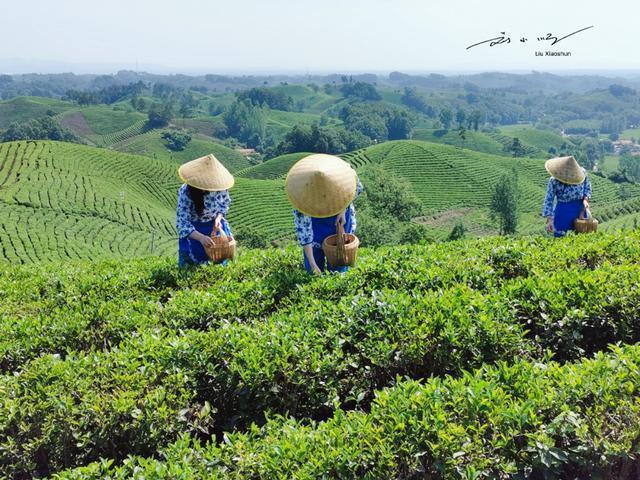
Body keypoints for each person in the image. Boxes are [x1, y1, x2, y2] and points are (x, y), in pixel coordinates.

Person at [285, 154, 363, 274]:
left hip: (340, 224)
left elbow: (356, 189)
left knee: (340, 264)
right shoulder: (303, 203)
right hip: (316, 231)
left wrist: (342, 208)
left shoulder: (346, 174)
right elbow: (305, 235)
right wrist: (312, 264)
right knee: (313, 272)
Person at [176, 153, 234, 266]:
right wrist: (201, 238)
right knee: (191, 269)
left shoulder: (220, 187)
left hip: (214, 228)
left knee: (218, 264)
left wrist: (218, 219)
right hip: (194, 231)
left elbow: (224, 204)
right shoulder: (186, 192)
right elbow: (182, 223)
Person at [542, 155, 592, 237]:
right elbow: (549, 199)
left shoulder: (582, 174)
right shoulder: (554, 180)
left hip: (579, 210)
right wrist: (550, 219)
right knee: (561, 238)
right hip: (563, 211)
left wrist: (585, 200)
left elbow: (587, 188)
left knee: (581, 237)